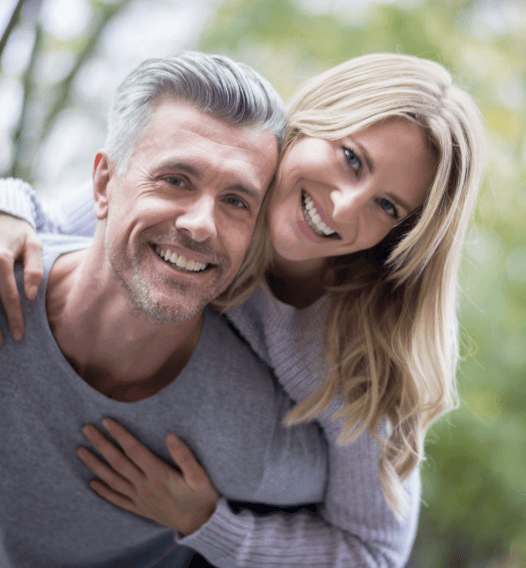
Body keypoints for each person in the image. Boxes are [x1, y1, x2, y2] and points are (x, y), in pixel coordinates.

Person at [0, 53, 486, 567]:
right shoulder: (230, 168)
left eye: (387, 206)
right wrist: (10, 208)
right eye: (351, 159)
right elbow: (94, 212)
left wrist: (208, 523)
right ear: (310, 125)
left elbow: (375, 551)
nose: (343, 208)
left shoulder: (357, 357)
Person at [0, 52, 333, 568]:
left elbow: (368, 542)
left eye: (236, 201)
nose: (201, 224)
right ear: (104, 184)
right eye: (176, 179)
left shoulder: (245, 429)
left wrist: (211, 526)